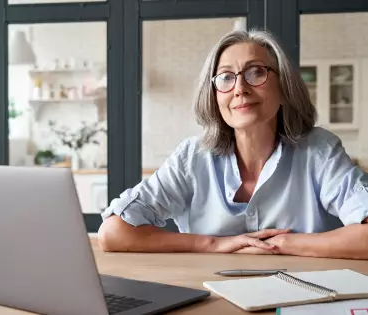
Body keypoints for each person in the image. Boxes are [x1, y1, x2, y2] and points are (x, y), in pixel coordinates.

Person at [98, 29, 368, 259]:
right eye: (226, 77)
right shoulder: (193, 156)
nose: (240, 88)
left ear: (284, 88)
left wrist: (283, 244)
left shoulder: (319, 149)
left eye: (256, 72)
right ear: (214, 95)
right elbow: (113, 233)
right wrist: (213, 244)